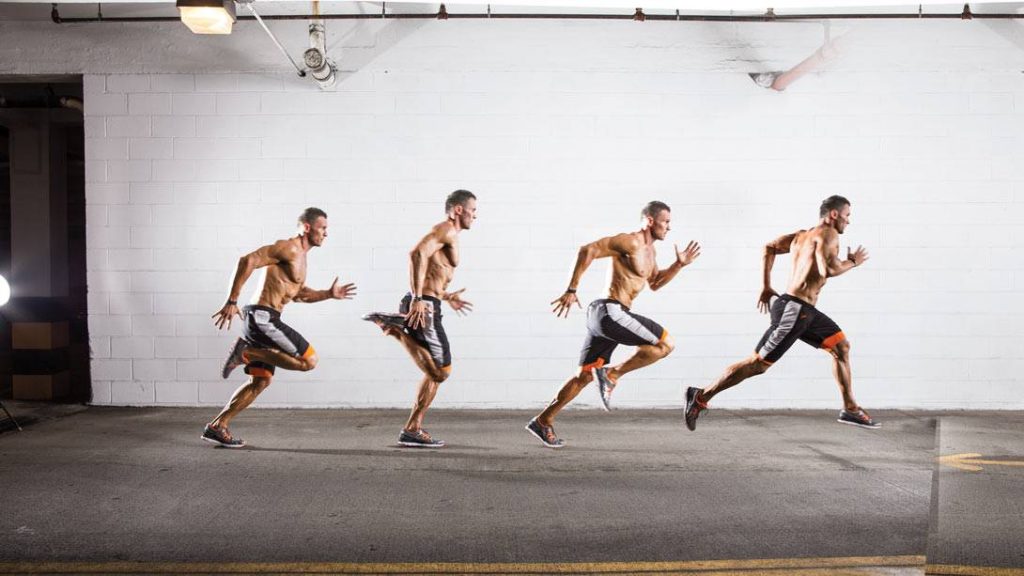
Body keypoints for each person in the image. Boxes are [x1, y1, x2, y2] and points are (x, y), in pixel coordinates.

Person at [684, 195, 876, 431]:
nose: (848, 221)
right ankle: (700, 396)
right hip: (795, 310)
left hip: (804, 310)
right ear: (834, 214)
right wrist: (853, 262)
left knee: (841, 347)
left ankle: (850, 408)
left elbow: (770, 247)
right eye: (847, 216)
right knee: (758, 364)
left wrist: (766, 286)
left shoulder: (801, 236)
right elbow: (829, 269)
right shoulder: (828, 233)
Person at [526, 201, 701, 448]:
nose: (669, 227)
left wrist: (678, 265)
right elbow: (587, 250)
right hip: (609, 311)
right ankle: (611, 375)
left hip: (607, 316)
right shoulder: (630, 241)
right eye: (666, 221)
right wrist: (572, 289)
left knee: (584, 376)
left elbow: (655, 283)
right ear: (650, 220)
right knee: (665, 344)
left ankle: (543, 421)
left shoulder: (651, 252)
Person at [205, 207, 357, 447]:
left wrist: (328, 294)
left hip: (263, 319)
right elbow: (248, 260)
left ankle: (217, 425)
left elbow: (299, 295)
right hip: (262, 318)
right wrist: (232, 300)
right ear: (307, 227)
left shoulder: (301, 258)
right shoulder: (289, 248)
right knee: (309, 361)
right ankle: (246, 352)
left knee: (260, 382)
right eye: (323, 228)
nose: (326, 233)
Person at [363, 190, 477, 448]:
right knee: (441, 372)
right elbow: (416, 254)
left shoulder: (449, 234)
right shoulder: (446, 229)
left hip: (428, 302)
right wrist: (418, 298)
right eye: (473, 210)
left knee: (434, 373)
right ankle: (394, 328)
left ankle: (412, 429)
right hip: (424, 306)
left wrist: (446, 296)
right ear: (458, 209)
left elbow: (433, 274)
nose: (475, 215)